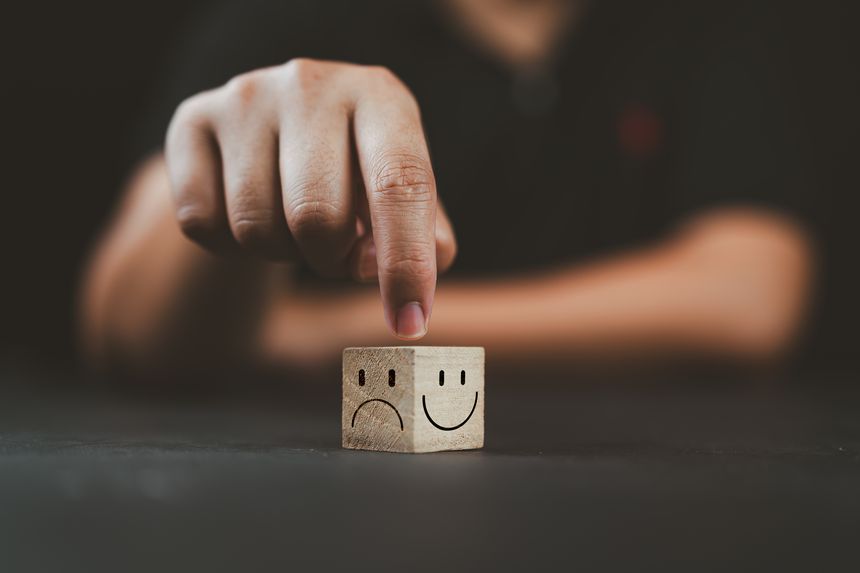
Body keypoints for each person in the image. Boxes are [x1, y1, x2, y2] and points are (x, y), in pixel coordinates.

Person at [79, 0, 814, 375]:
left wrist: (315, 335)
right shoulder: (291, 15)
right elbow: (122, 320)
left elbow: (746, 296)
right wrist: (251, 160)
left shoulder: (711, 23)